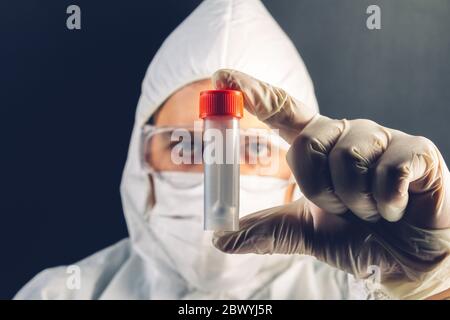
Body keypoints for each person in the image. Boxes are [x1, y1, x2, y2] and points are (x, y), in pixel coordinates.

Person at [15, 0, 450, 300]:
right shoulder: (62, 292)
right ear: (140, 160)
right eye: (185, 146)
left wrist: (427, 285)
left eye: (254, 148)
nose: (215, 172)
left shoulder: (365, 288)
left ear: (298, 167)